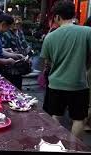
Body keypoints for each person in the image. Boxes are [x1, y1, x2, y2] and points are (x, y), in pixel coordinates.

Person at [40, 1, 91, 138]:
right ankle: (73, 150)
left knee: (55, 116)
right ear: (73, 14)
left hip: (56, 84)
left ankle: (57, 146)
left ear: (57, 17)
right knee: (78, 118)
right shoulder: (87, 32)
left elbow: (47, 63)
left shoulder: (50, 37)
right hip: (79, 84)